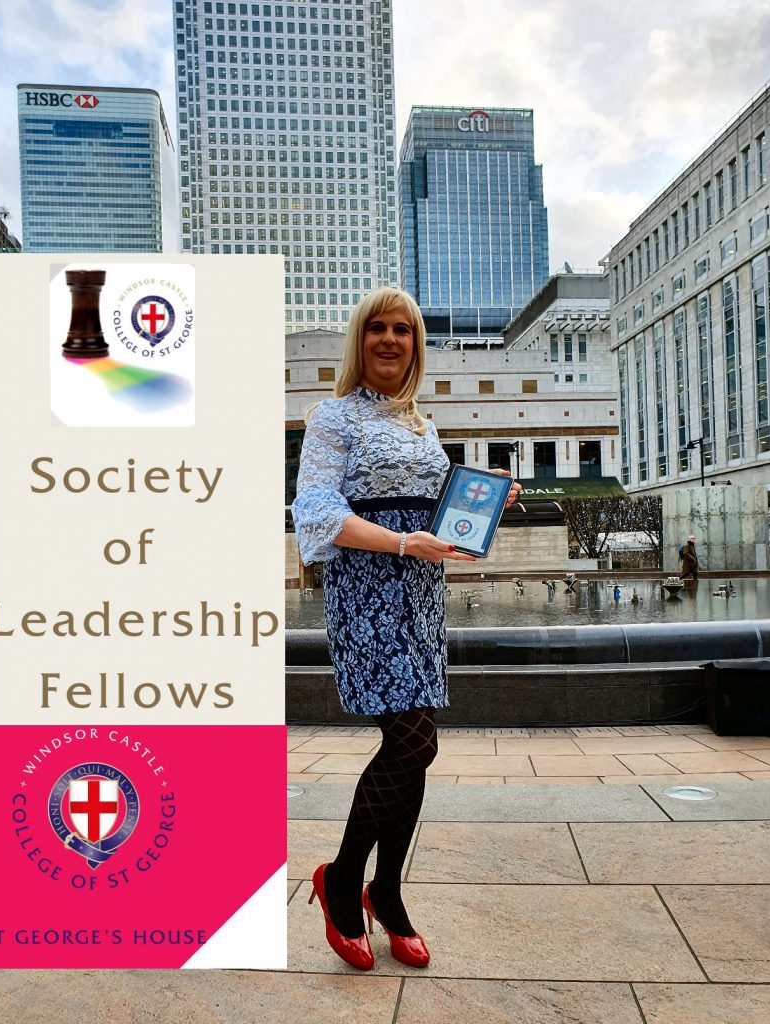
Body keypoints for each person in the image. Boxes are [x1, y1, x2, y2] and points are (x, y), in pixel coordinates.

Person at [291, 287, 519, 970]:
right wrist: (399, 545)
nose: (391, 340)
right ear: (359, 341)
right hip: (367, 594)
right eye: (378, 329)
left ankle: (385, 893)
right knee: (413, 738)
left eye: (404, 330)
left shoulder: (424, 425)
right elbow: (316, 512)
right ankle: (344, 880)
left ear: (416, 345)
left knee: (415, 748)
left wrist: (487, 496)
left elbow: (441, 509)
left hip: (420, 599)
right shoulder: (333, 418)